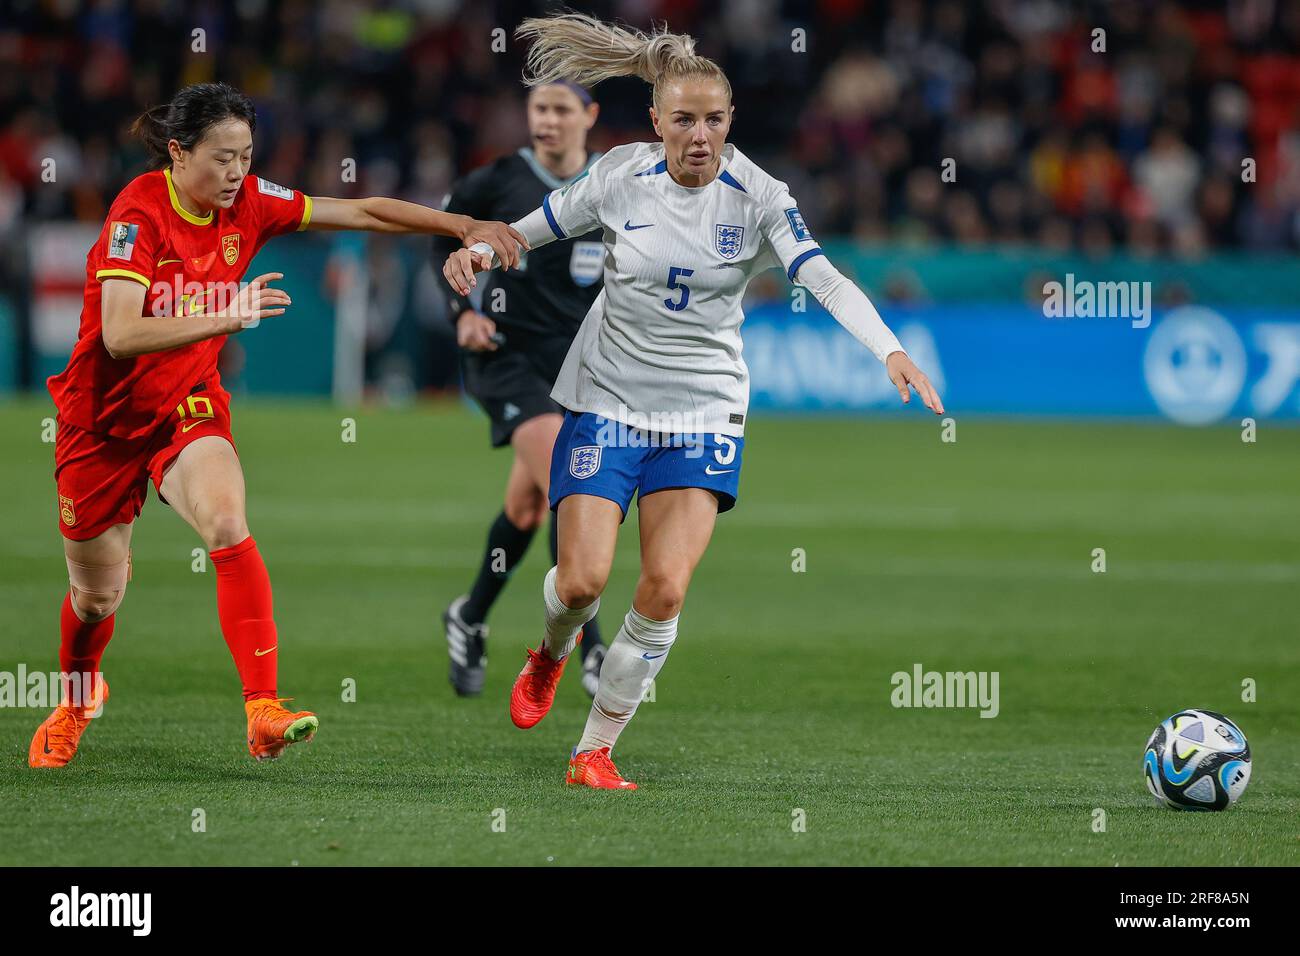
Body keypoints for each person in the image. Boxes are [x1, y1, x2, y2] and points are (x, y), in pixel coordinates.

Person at [443, 14, 944, 790]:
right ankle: (549, 652)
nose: (699, 135)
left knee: (665, 586)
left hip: (702, 412)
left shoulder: (761, 196)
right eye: (683, 120)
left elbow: (823, 276)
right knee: (579, 584)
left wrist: (890, 349)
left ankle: (593, 752)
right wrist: (479, 251)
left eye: (713, 120)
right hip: (607, 397)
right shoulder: (617, 176)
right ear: (656, 122)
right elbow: (528, 230)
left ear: (730, 121)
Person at [31, 82, 524, 768]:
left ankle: (262, 707)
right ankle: (77, 700)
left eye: (246, 156)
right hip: (100, 422)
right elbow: (118, 334)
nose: (237, 174)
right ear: (178, 153)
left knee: (228, 522)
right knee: (96, 597)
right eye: (222, 159)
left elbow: (360, 211)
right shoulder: (137, 214)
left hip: (186, 404)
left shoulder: (253, 202)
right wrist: (227, 315)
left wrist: (458, 225)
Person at [434, 80, 609, 698]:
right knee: (569, 481)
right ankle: (594, 651)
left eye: (562, 109)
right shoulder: (497, 181)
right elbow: (443, 238)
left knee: (529, 506)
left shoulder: (606, 186)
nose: (548, 120)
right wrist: (464, 314)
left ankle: (470, 615)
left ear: (589, 115)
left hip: (577, 369)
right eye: (539, 108)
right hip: (503, 359)